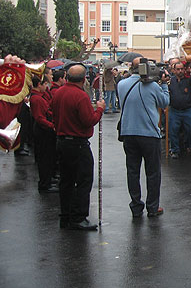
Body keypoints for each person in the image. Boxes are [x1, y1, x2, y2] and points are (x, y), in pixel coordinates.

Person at [50, 64, 105, 230]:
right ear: (83, 79)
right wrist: (100, 110)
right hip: (77, 143)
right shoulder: (80, 96)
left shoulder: (58, 93)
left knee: (66, 181)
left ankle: (65, 215)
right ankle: (79, 216)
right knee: (83, 180)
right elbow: (88, 120)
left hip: (62, 141)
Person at [117, 58, 169, 218]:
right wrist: (165, 84)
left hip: (128, 133)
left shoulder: (121, 84)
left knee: (132, 171)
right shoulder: (153, 86)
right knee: (153, 172)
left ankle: (136, 207)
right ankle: (152, 207)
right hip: (149, 134)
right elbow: (165, 102)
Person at [167, 56, 191, 159]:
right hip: (174, 110)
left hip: (187, 110)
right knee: (173, 131)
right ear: (174, 70)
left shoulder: (188, 80)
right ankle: (175, 150)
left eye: (182, 69)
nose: (180, 71)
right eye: (178, 69)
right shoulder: (170, 82)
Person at [30, 75, 58, 193]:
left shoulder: (39, 96)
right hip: (42, 130)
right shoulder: (36, 99)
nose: (46, 86)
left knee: (48, 156)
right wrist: (52, 126)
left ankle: (48, 179)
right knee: (44, 158)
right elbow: (39, 118)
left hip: (45, 129)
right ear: (39, 85)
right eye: (45, 84)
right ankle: (44, 184)